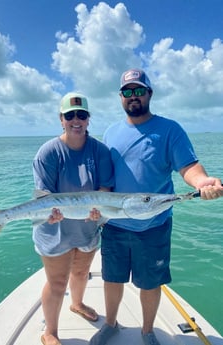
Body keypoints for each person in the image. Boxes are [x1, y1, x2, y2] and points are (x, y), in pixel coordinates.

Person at [89, 69, 223, 345]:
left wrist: (202, 182)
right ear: (120, 97)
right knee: (112, 279)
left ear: (149, 93)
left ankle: (147, 331)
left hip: (154, 225)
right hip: (114, 224)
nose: (133, 96)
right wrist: (94, 210)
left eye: (139, 90)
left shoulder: (170, 129)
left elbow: (188, 166)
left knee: (150, 283)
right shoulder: (111, 132)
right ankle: (111, 324)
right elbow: (105, 179)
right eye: (128, 91)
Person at [32, 92, 114, 345]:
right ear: (61, 119)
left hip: (87, 227)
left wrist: (99, 207)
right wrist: (50, 213)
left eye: (81, 115)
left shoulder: (100, 150)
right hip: (54, 230)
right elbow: (43, 195)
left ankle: (76, 304)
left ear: (88, 119)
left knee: (81, 273)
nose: (76, 120)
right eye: (70, 115)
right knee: (57, 282)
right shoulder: (48, 152)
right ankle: (50, 332)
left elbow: (105, 188)